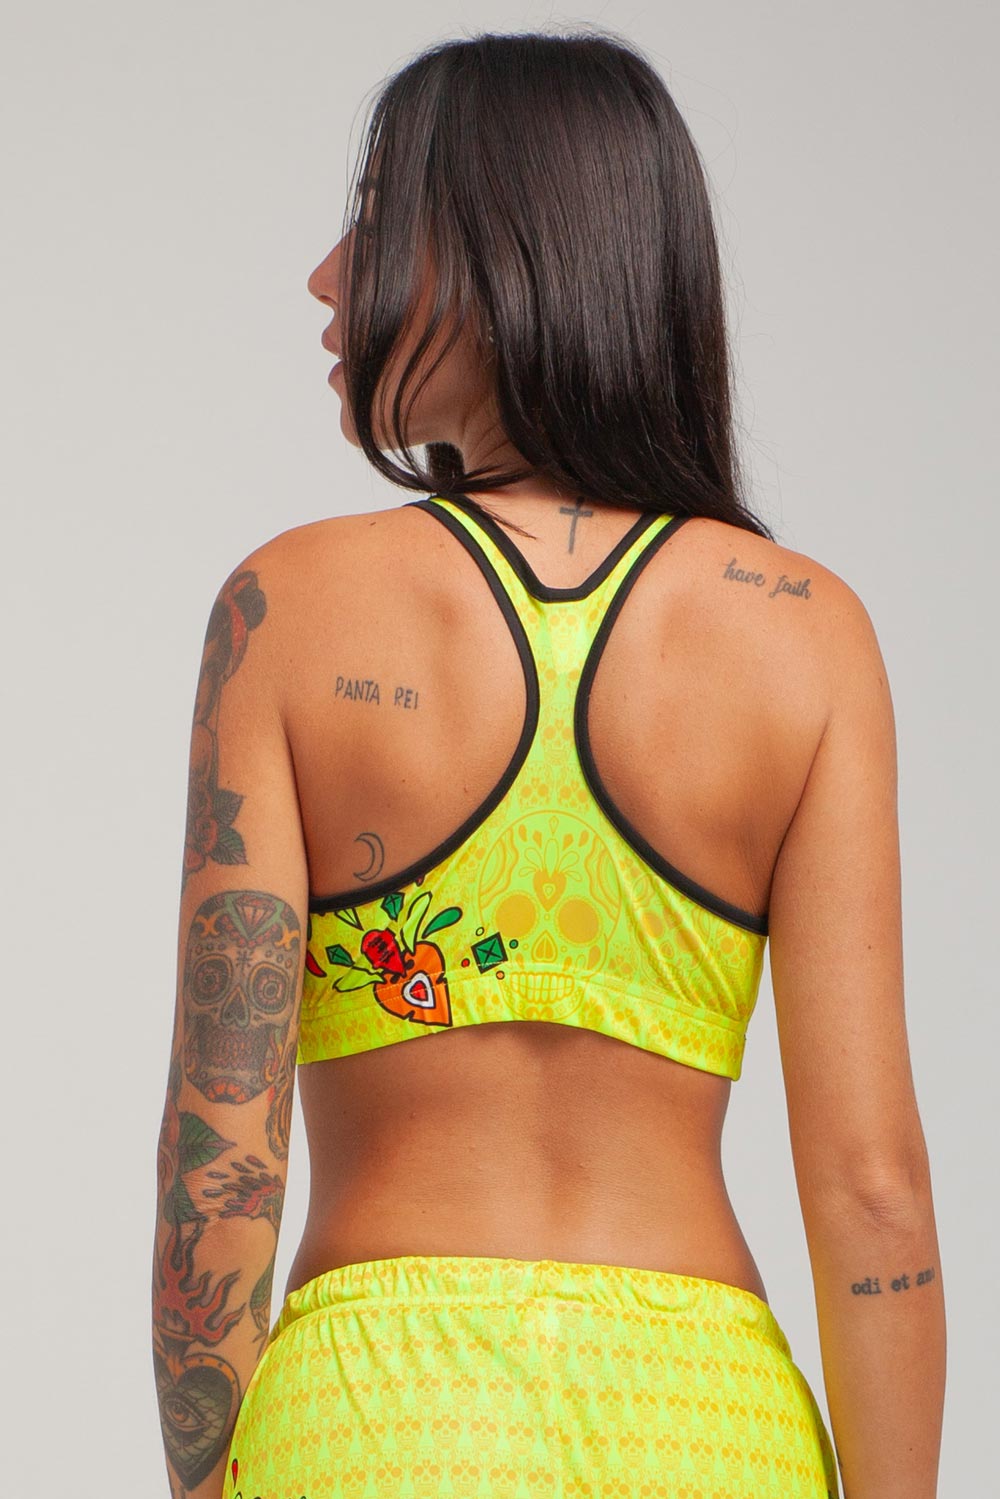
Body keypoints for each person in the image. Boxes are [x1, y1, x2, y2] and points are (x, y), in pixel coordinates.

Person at [151, 28, 945, 1499]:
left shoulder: (288, 608)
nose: (327, 277)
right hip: (708, 1427)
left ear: (502, 251)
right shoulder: (807, 635)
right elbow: (873, 1191)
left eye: (375, 220)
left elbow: (221, 1159)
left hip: (377, 1421)